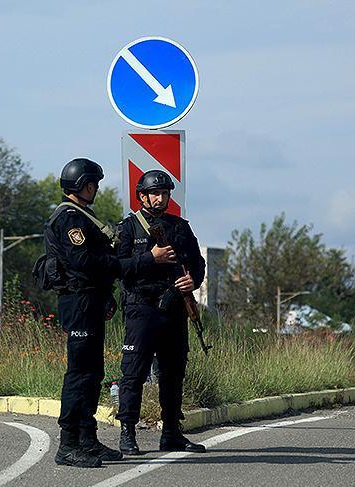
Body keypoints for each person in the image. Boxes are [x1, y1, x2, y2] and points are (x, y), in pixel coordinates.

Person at [43, 158, 146, 468]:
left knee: (93, 373)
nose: (97, 189)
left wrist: (105, 294)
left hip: (90, 300)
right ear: (83, 185)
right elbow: (84, 261)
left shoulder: (83, 216)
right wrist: (123, 266)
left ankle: (88, 439)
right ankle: (69, 445)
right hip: (78, 303)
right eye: (94, 184)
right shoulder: (69, 219)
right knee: (79, 374)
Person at [115, 170, 207, 455]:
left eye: (165, 193)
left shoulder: (180, 227)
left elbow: (197, 262)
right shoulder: (128, 228)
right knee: (133, 372)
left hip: (173, 308)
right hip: (141, 307)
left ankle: (171, 433)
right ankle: (127, 433)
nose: (160, 198)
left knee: (173, 371)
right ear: (142, 196)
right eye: (155, 193)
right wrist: (150, 258)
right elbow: (118, 268)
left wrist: (193, 280)